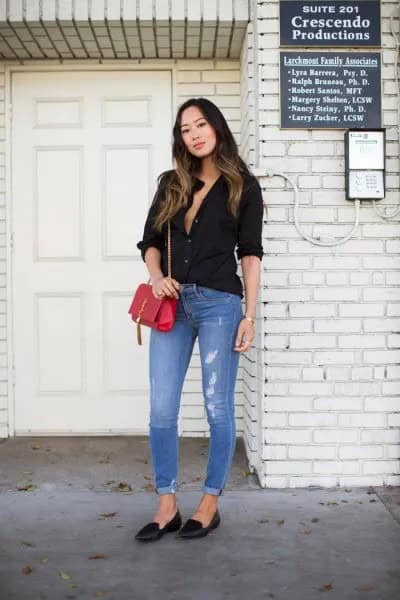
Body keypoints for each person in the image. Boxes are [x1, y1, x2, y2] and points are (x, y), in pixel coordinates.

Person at [134, 98, 264, 541]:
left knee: (217, 407)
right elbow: (150, 241)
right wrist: (156, 277)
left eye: (201, 123)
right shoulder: (172, 184)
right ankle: (167, 503)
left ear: (217, 128)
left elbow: (250, 254)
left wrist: (249, 315)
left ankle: (210, 502)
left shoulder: (243, 186)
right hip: (173, 305)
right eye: (185, 128)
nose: (194, 133)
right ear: (181, 139)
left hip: (219, 305)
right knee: (161, 408)